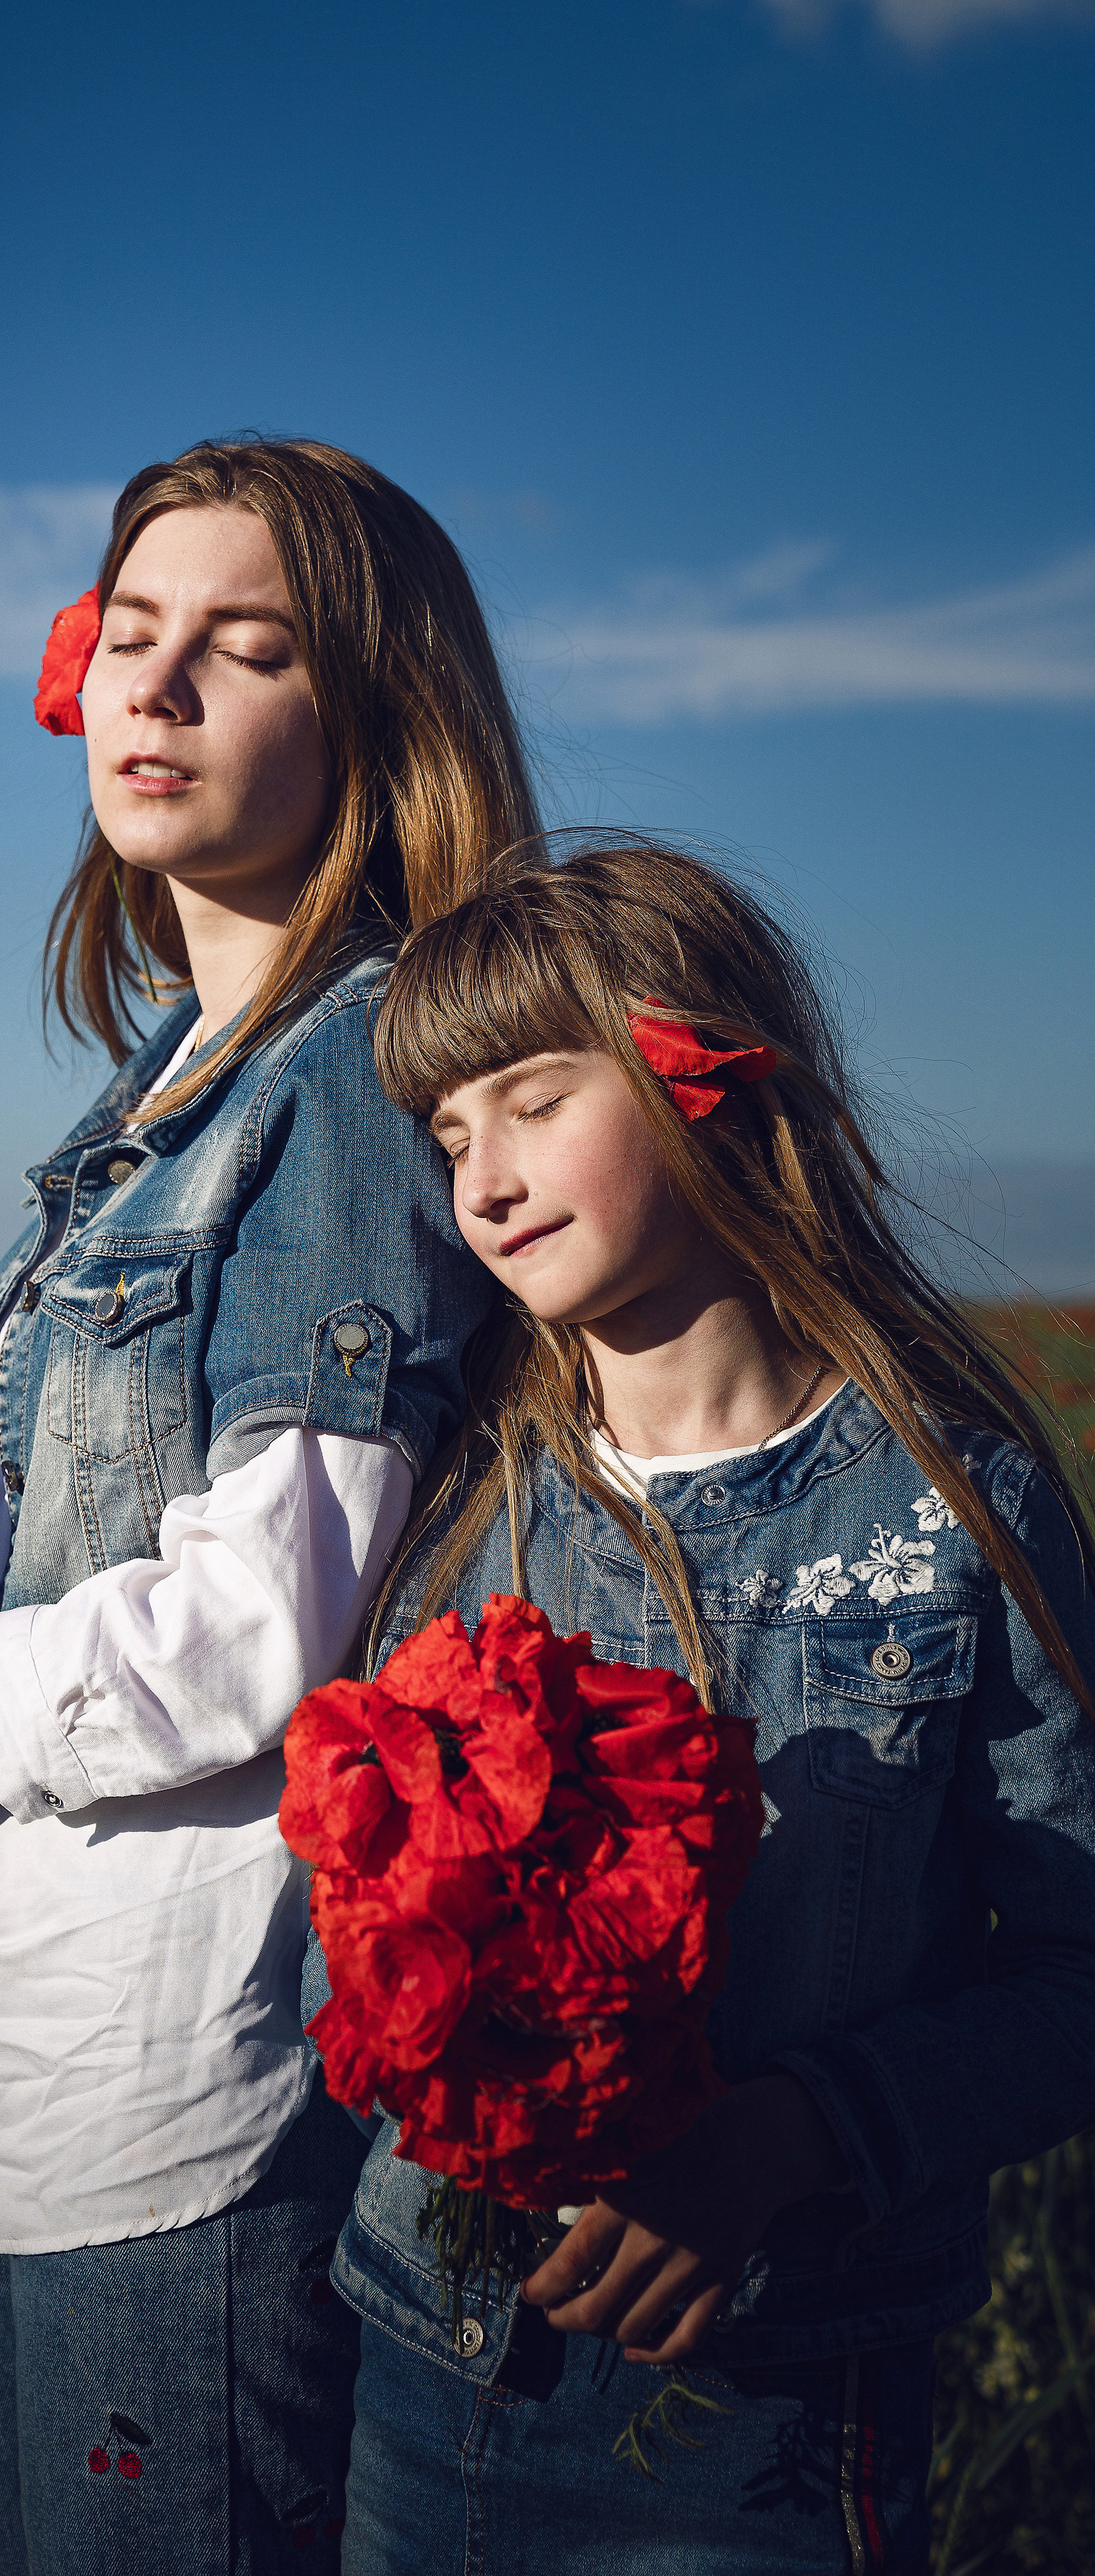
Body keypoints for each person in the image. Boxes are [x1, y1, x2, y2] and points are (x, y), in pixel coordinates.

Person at [0, 437, 541, 2572]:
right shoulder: (157, 1096)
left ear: (376, 714)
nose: (157, 687)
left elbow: (253, 1631)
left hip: (185, 2081)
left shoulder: (346, 1084)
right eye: (129, 635)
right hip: (10, 2064)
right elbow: (94, 1585)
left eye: (245, 648)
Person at [325, 841, 1095, 2575]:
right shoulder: (464, 1510)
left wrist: (800, 2136)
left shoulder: (947, 1515)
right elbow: (342, 1928)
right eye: (447, 1135)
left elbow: (1078, 1967)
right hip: (425, 2371)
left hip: (768, 2414)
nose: (484, 1180)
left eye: (535, 1102)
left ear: (712, 1073)